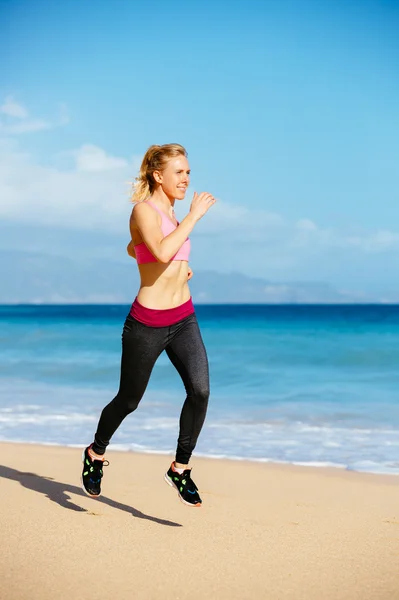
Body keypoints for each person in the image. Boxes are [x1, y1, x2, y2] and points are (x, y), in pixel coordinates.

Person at [81, 143, 216, 507]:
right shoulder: (145, 209)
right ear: (159, 175)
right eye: (179, 172)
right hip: (148, 322)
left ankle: (180, 468)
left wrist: (180, 269)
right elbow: (157, 251)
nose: (187, 179)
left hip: (184, 317)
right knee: (129, 400)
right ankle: (95, 454)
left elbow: (143, 250)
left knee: (200, 391)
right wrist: (193, 217)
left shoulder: (170, 214)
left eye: (189, 172)